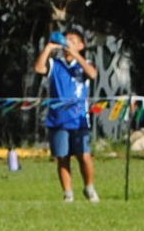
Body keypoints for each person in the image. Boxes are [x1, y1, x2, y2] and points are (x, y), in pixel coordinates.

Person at [34, 28, 100, 202]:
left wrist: (77, 56)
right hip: (58, 119)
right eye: (66, 39)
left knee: (84, 156)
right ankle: (68, 193)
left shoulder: (85, 63)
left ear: (81, 45)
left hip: (79, 119)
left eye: (72, 40)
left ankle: (89, 187)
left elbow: (93, 74)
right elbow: (39, 68)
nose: (67, 43)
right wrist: (49, 48)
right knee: (62, 157)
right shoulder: (56, 64)